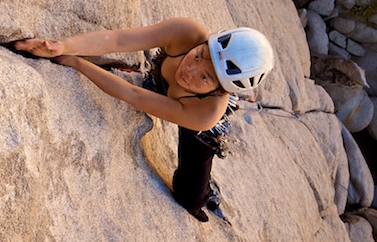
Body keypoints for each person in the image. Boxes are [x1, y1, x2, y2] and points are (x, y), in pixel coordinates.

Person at [15, 17, 274, 222]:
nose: (190, 70)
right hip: (164, 89)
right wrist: (63, 46)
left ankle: (208, 192)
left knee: (189, 197)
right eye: (198, 55)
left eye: (205, 77)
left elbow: (132, 94)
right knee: (158, 82)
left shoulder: (204, 113)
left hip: (196, 120)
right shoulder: (186, 33)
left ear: (220, 91)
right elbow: (117, 40)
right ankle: (164, 82)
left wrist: (76, 62)